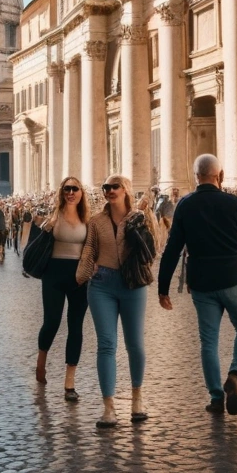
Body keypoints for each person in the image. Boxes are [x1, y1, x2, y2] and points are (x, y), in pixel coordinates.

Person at [157, 155, 237, 416]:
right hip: (233, 276)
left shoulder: (185, 205)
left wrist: (163, 287)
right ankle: (236, 375)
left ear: (196, 176)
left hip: (201, 281)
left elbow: (172, 249)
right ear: (220, 175)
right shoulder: (233, 202)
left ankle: (216, 398)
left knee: (208, 341)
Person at [77, 174, 160, 427]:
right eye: (106, 187)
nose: (109, 191)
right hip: (102, 284)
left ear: (126, 190)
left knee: (135, 344)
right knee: (106, 344)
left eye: (114, 187)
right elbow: (89, 248)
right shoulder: (96, 221)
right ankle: (109, 407)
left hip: (133, 283)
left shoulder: (142, 217)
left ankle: (137, 398)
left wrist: (142, 226)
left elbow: (154, 247)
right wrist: (82, 274)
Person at [34, 177, 90, 400]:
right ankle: (41, 362)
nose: (71, 192)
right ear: (62, 193)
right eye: (67, 189)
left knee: (76, 327)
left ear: (81, 193)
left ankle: (70, 382)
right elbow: (38, 240)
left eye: (75, 188)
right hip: (54, 274)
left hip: (79, 277)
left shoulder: (88, 220)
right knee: (52, 322)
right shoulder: (53, 216)